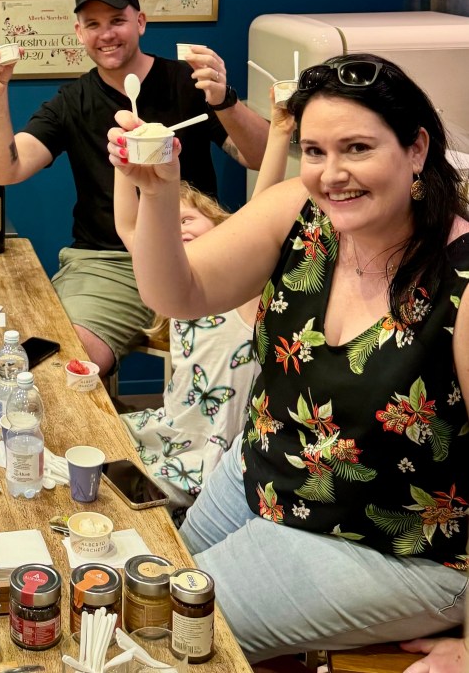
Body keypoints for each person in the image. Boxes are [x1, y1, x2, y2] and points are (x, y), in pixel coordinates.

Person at [108, 52, 469, 661]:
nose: (331, 175)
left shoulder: (460, 282)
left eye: (357, 148)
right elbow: (177, 294)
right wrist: (160, 191)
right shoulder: (297, 216)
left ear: (416, 149)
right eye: (314, 151)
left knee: (167, 638)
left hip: (395, 546)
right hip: (263, 474)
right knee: (137, 605)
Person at [0, 0, 270, 377]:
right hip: (108, 264)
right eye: (93, 25)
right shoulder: (71, 101)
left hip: (201, 252)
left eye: (117, 20)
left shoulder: (188, 83)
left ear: (140, 22)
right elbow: (4, 170)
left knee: (251, 359)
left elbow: (260, 156)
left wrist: (225, 99)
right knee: (59, 364)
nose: (106, 34)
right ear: (79, 33)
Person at [113, 91, 296, 517]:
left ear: (222, 223)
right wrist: (127, 163)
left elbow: (266, 199)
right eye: (167, 228)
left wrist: (282, 129)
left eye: (187, 220)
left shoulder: (246, 281)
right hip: (170, 429)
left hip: (212, 451)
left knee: (133, 504)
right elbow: (130, 223)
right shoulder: (171, 282)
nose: (176, 233)